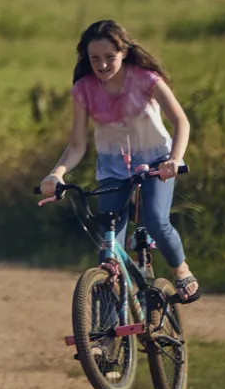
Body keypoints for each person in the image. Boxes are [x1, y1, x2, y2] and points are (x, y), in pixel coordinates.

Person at [38, 20, 199, 303]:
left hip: (156, 164)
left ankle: (181, 270)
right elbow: (77, 145)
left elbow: (180, 121)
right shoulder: (83, 89)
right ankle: (106, 337)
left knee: (155, 220)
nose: (102, 65)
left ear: (124, 52)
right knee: (108, 247)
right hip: (113, 170)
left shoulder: (146, 79)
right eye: (94, 58)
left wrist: (174, 159)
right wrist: (56, 174)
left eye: (109, 57)